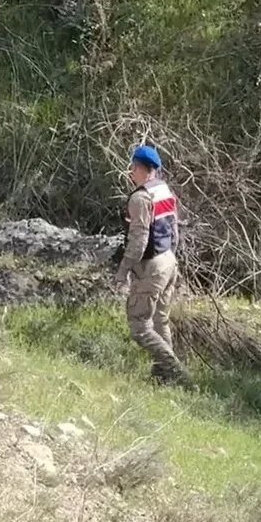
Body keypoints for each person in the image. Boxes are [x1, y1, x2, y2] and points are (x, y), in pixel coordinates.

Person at [114, 145, 186, 382]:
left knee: (139, 327)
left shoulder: (140, 198)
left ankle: (174, 369)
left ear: (138, 167)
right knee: (160, 320)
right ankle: (164, 375)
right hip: (169, 260)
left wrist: (123, 271)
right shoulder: (164, 190)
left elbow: (139, 239)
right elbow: (174, 229)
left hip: (152, 266)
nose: (131, 172)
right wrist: (171, 257)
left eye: (132, 167)